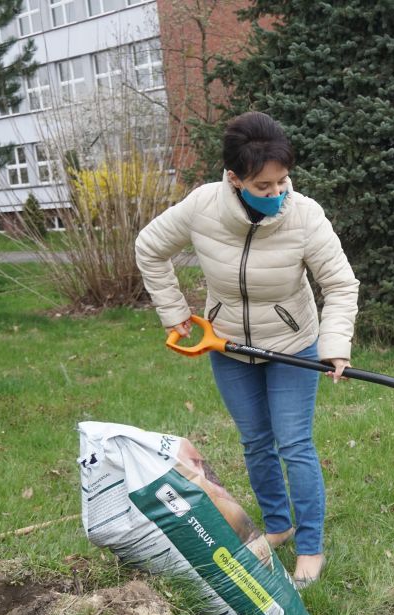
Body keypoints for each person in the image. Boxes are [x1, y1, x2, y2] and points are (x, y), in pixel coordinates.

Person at [136, 111, 359, 586]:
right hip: (228, 343)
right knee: (256, 441)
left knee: (294, 443)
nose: (277, 193)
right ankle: (278, 526)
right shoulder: (202, 207)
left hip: (294, 344)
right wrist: (174, 310)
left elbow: (339, 284)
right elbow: (150, 247)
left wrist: (335, 345)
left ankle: (311, 546)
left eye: (282, 182)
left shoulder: (303, 215)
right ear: (234, 180)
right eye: (264, 186)